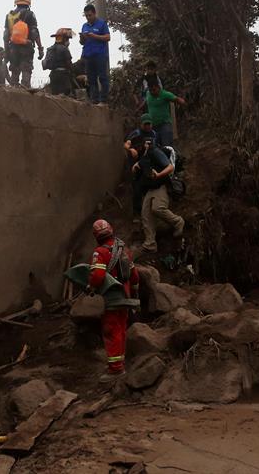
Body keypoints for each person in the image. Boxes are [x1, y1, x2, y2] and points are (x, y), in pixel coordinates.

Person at [87, 219, 140, 382]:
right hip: (124, 297)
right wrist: (133, 293)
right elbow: (135, 276)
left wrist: (90, 287)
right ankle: (120, 363)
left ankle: (115, 369)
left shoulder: (100, 252)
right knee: (121, 329)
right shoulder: (123, 250)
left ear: (96, 236)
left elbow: (97, 276)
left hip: (111, 298)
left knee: (111, 331)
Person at [135, 139, 185, 253]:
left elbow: (170, 167)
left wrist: (158, 175)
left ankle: (178, 221)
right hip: (150, 188)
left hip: (161, 185)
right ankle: (150, 244)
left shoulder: (155, 151)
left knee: (157, 208)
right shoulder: (144, 157)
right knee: (145, 214)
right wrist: (136, 166)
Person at [3, 0, 44, 88]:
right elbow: (35, 33)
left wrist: (7, 51)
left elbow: (6, 35)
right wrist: (40, 48)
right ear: (28, 3)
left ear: (16, 2)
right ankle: (25, 89)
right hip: (26, 46)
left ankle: (14, 89)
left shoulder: (9, 16)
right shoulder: (30, 14)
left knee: (15, 71)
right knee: (26, 69)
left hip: (13, 47)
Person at [124, 115, 159, 216]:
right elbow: (126, 144)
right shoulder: (136, 133)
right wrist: (130, 149)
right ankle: (137, 213)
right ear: (141, 124)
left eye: (149, 124)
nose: (148, 126)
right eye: (145, 124)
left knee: (150, 186)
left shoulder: (154, 134)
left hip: (148, 163)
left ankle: (150, 211)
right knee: (137, 188)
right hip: (136, 164)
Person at [79, 4, 111, 104]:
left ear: (94, 13)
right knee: (91, 79)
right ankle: (94, 99)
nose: (88, 18)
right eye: (86, 16)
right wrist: (82, 38)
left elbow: (107, 37)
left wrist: (94, 36)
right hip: (88, 55)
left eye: (90, 15)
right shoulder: (84, 26)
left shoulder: (102, 24)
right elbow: (82, 42)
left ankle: (104, 99)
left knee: (102, 77)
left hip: (100, 55)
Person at [143, 81, 186, 147]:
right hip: (153, 126)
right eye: (150, 90)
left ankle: (176, 156)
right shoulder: (148, 94)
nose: (152, 92)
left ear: (158, 87)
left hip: (164, 124)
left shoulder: (165, 94)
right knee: (156, 146)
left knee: (167, 145)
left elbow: (177, 99)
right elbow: (146, 102)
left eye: (154, 90)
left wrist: (183, 103)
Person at [42, 28, 74, 96]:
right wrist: (72, 72)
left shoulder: (50, 49)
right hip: (63, 75)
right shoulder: (64, 49)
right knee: (65, 94)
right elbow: (69, 63)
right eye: (67, 39)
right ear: (64, 39)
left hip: (53, 75)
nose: (68, 41)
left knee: (55, 94)